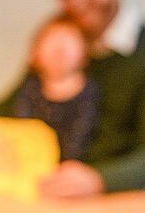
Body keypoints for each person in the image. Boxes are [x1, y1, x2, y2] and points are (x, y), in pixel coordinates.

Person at [0, 0, 145, 199]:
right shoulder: (56, 36)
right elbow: (12, 105)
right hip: (40, 191)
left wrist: (99, 179)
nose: (76, 3)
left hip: (113, 202)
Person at [13, 17, 101, 161]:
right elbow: (22, 123)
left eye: (70, 40)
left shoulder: (89, 92)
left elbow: (81, 134)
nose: (60, 48)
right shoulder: (31, 86)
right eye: (51, 40)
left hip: (69, 164)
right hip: (29, 158)